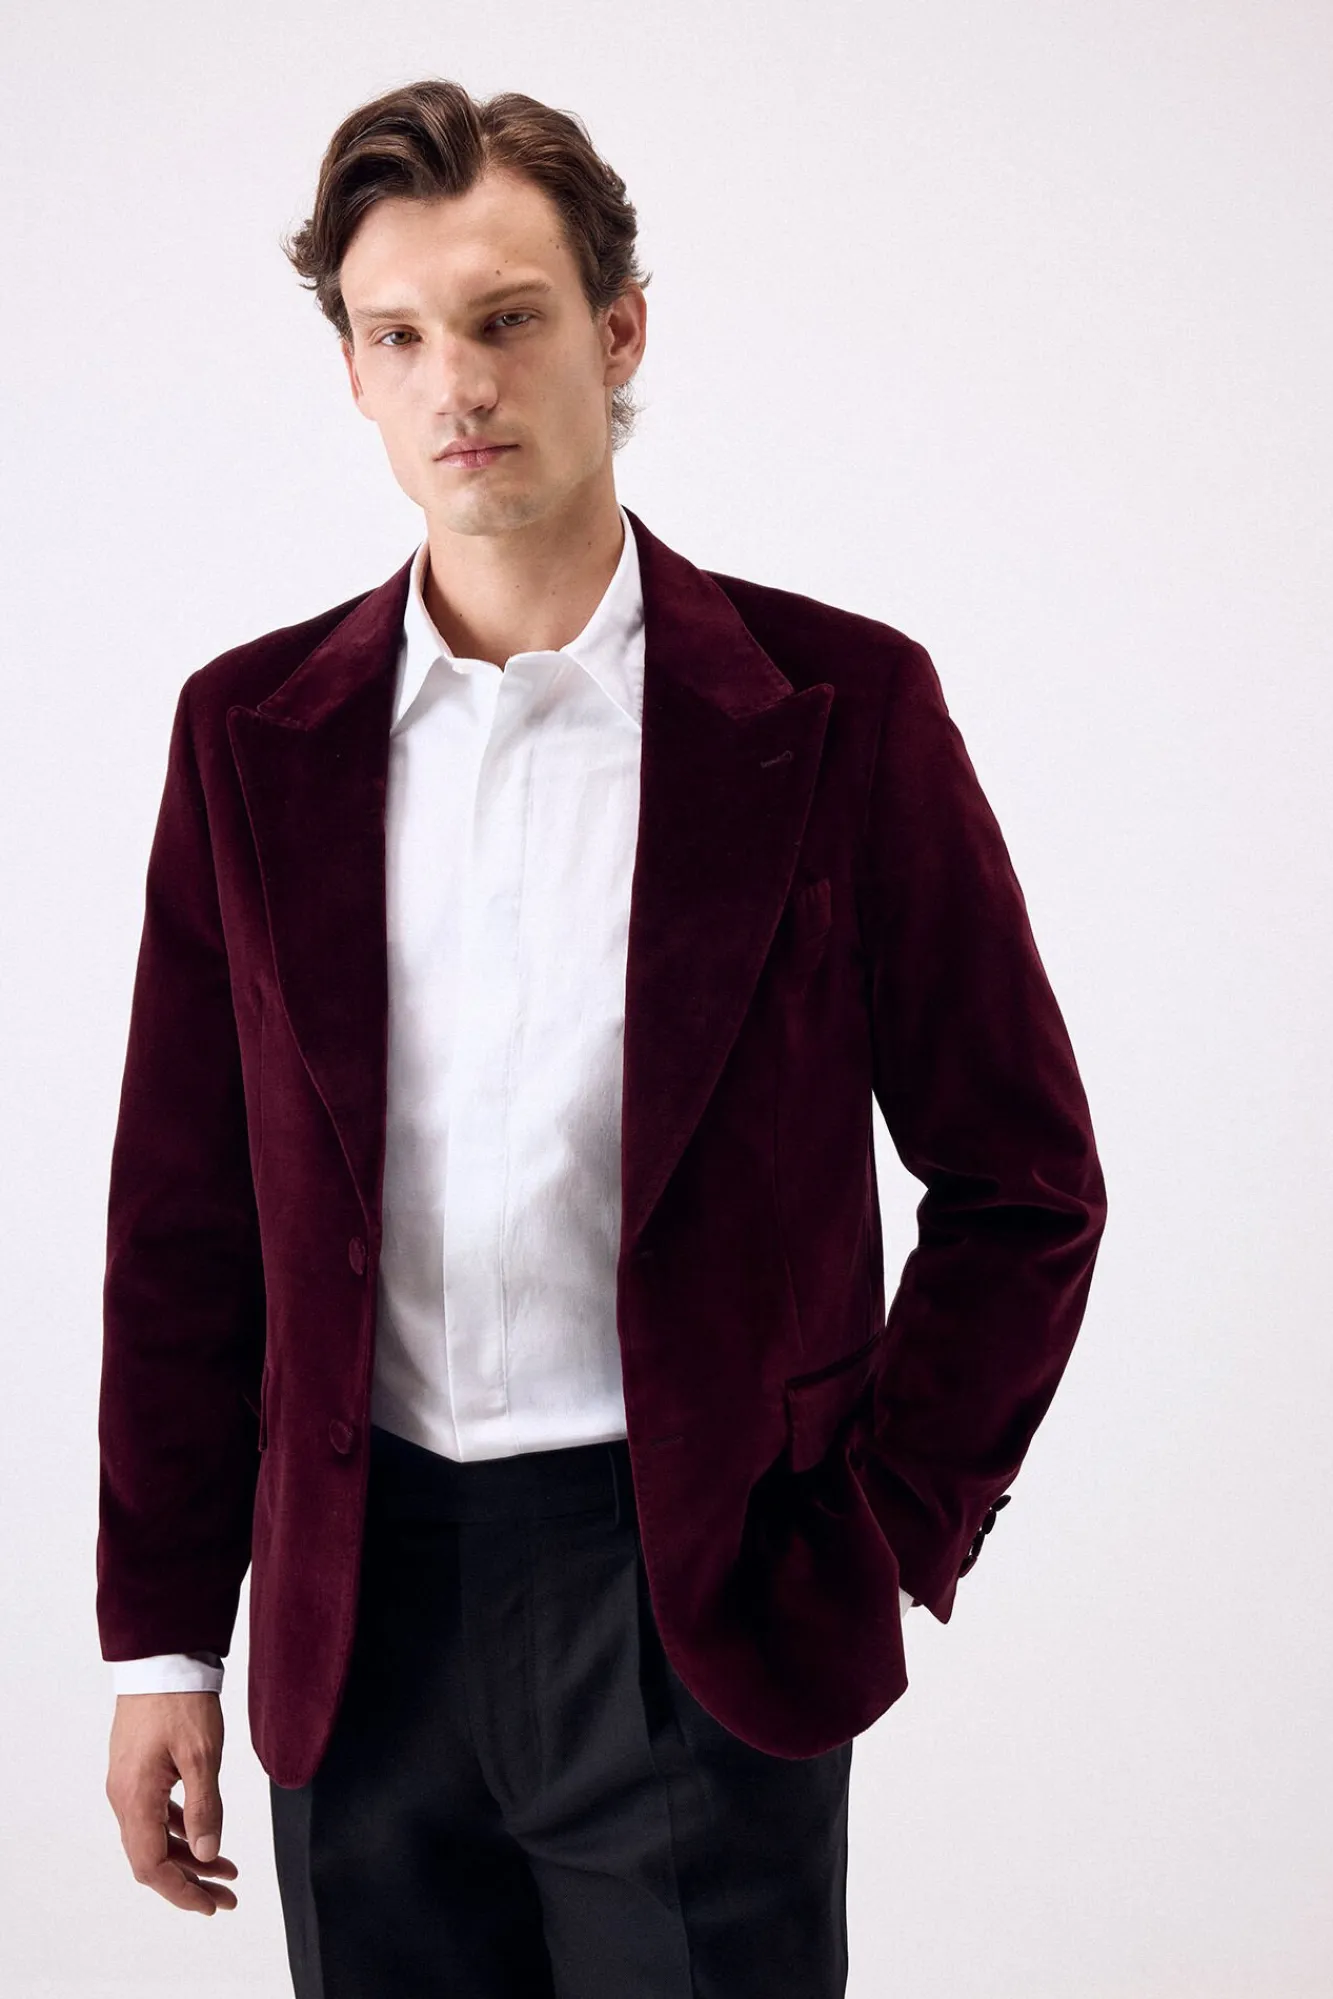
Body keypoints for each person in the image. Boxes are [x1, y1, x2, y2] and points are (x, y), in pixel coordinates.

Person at [98, 78, 1107, 1999]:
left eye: (507, 317)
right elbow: (182, 1222)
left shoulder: (840, 707)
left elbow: (1024, 1180)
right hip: (354, 1614)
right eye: (400, 335)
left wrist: (879, 1526)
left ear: (618, 328)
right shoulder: (247, 736)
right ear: (353, 372)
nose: (457, 382)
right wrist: (162, 1645)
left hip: (697, 1598)